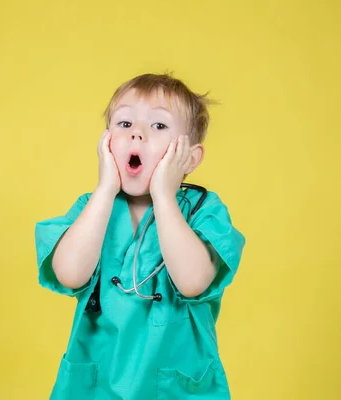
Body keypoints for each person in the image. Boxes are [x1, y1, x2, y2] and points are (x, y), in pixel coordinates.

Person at [34, 73, 246, 399]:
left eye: (159, 126)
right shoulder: (92, 210)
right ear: (106, 143)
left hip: (173, 388)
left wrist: (164, 195)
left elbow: (193, 281)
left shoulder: (203, 212)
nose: (137, 134)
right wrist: (105, 188)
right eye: (123, 123)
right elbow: (70, 273)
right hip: (96, 386)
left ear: (190, 157)